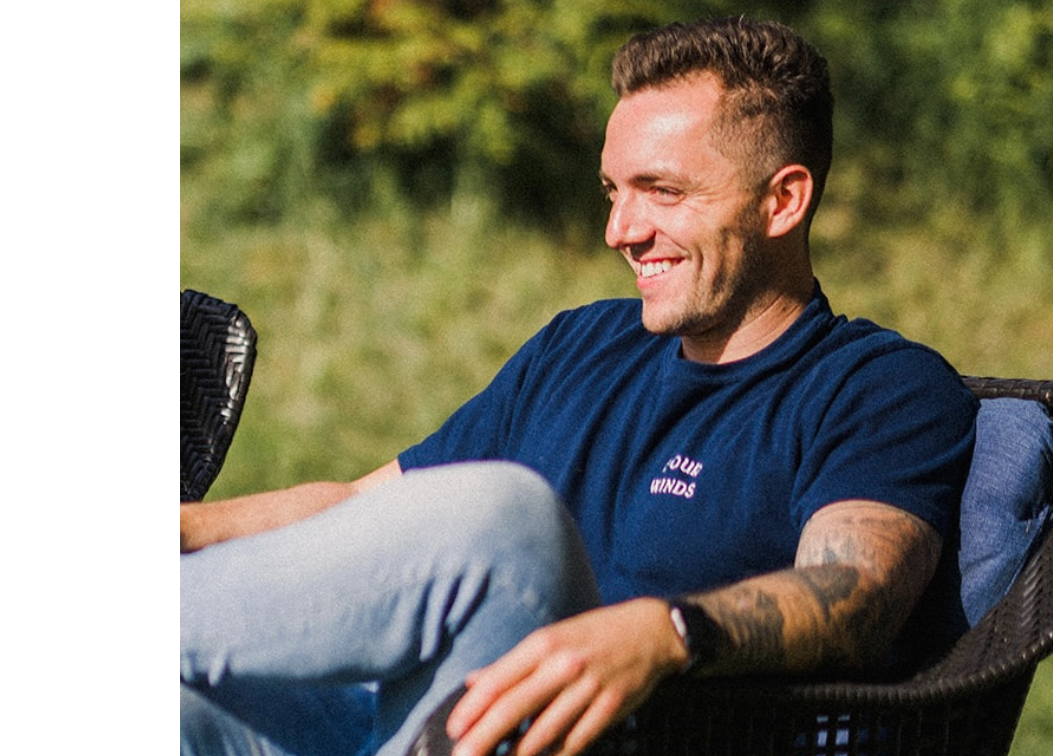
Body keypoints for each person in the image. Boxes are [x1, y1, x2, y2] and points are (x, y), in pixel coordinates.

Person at [180, 16, 978, 756]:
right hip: (421, 725)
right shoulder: (582, 343)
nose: (621, 231)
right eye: (613, 190)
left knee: (505, 518)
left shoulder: (879, 388)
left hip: (634, 732)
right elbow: (370, 511)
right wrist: (184, 528)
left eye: (662, 191)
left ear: (783, 200)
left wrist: (662, 634)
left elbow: (856, 594)